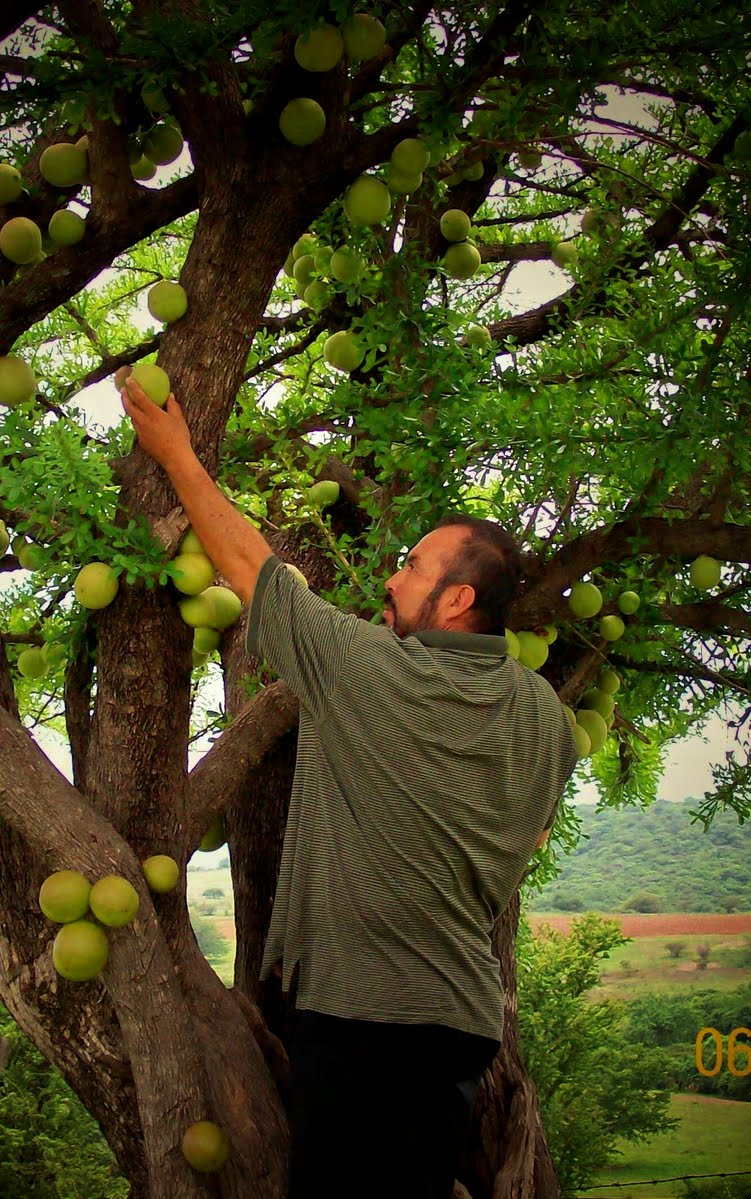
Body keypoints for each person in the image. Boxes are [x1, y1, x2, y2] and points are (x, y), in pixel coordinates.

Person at [119, 372, 576, 1198]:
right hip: (462, 1024)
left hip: (368, 1018)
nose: (394, 579)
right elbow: (533, 832)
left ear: (457, 597)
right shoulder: (545, 714)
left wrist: (178, 456)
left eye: (412, 566)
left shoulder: (369, 671)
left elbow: (253, 567)